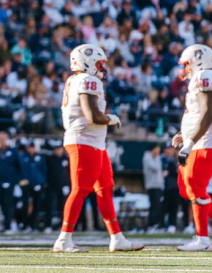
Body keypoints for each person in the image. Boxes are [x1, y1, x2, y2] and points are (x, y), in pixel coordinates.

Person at [53, 44, 143, 253]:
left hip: (93, 142)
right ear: (88, 62)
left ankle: (117, 237)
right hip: (83, 140)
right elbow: (93, 115)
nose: (103, 67)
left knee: (105, 188)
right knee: (80, 189)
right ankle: (63, 239)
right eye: (99, 63)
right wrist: (111, 119)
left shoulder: (74, 79)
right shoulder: (87, 80)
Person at [171, 44, 212, 251]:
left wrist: (190, 142)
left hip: (204, 143)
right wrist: (184, 135)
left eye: (187, 63)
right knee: (186, 189)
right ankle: (202, 238)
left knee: (196, 189)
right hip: (197, 140)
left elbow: (207, 114)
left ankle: (203, 239)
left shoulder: (204, 75)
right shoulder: (199, 78)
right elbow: (197, 114)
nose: (185, 67)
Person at [0, 131, 21, 233]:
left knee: (9, 204)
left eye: (3, 138)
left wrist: (18, 181)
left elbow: (19, 166)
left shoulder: (13, 152)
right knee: (1, 203)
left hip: (11, 182)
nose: (1, 141)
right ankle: (5, 224)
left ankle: (9, 225)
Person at [143, 144, 164, 232]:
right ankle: (151, 225)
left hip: (158, 186)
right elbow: (156, 167)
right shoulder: (147, 158)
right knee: (154, 207)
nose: (158, 152)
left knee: (157, 206)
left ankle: (155, 224)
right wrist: (158, 158)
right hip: (152, 186)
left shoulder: (155, 158)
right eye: (157, 150)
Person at [161, 142, 180, 233]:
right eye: (168, 148)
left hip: (175, 187)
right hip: (164, 187)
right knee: (163, 207)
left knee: (173, 207)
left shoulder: (176, 159)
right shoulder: (162, 159)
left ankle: (172, 225)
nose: (170, 150)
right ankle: (161, 225)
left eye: (171, 148)